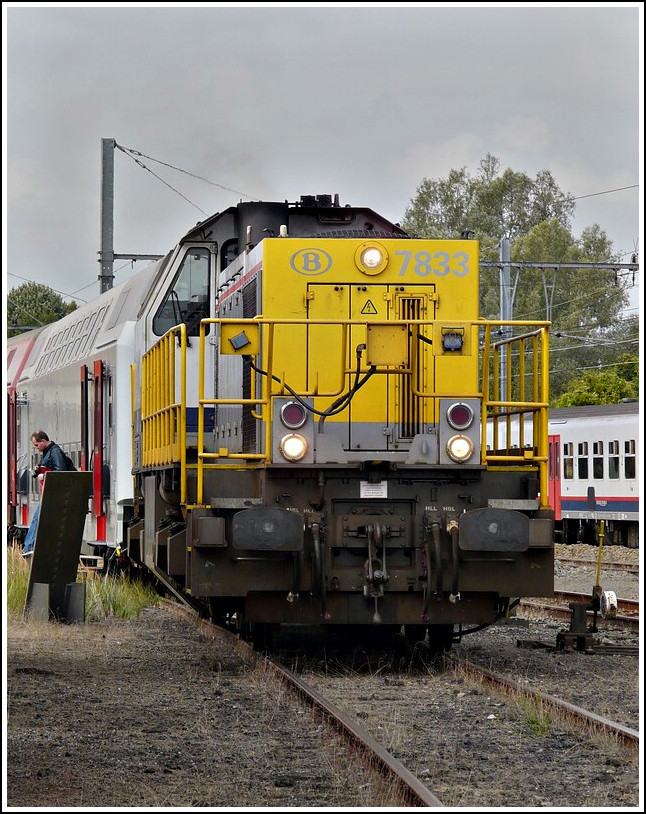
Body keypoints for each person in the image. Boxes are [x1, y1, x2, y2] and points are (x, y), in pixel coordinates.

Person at [21, 431, 68, 555]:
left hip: (53, 493)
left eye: (36, 445)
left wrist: (44, 475)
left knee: (38, 518)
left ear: (43, 441)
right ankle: (34, 547)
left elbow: (60, 472)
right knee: (42, 519)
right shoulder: (48, 452)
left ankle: (29, 547)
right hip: (50, 492)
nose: (36, 448)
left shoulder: (55, 452)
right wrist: (39, 470)